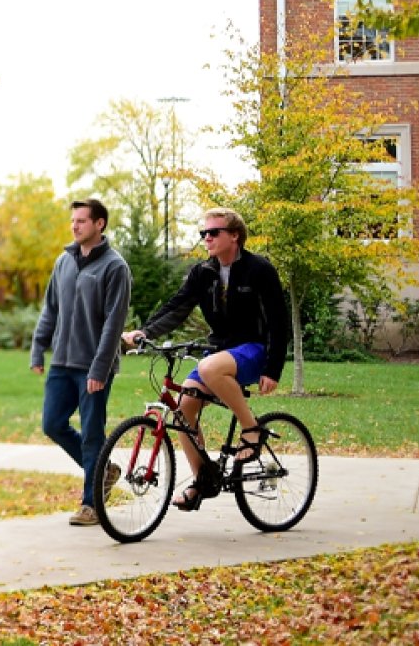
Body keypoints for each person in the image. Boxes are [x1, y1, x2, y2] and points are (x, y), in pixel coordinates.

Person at [121, 206, 290, 512]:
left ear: (234, 236)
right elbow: (177, 307)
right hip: (220, 352)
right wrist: (145, 332)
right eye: (204, 233)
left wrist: (273, 367)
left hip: (254, 349)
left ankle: (251, 429)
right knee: (184, 410)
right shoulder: (203, 273)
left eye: (214, 232)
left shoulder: (259, 270)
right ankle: (204, 480)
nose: (207, 238)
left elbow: (280, 321)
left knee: (209, 367)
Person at [30, 198, 133, 527]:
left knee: (91, 434)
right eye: (73, 220)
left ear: (100, 224)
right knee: (52, 424)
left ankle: (92, 505)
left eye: (82, 221)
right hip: (62, 362)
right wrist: (38, 348)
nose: (74, 226)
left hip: (93, 366)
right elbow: (50, 309)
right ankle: (105, 469)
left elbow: (114, 324)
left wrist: (99, 369)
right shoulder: (64, 262)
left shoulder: (115, 267)